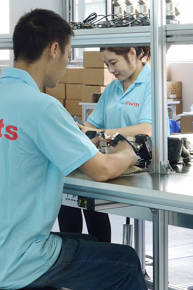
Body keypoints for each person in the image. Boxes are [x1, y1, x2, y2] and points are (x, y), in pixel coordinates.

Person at [0, 8, 176, 290]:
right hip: (18, 257)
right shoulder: (41, 106)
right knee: (125, 262)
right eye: (68, 54)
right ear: (53, 49)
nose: (66, 64)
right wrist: (129, 151)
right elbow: (102, 169)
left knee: (89, 249)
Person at [61, 45, 154, 242]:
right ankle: (75, 253)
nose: (111, 70)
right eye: (106, 64)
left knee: (90, 191)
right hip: (112, 163)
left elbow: (146, 129)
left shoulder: (151, 84)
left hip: (142, 166)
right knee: (69, 194)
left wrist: (100, 133)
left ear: (132, 54)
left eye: (113, 63)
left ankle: (101, 251)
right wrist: (78, 131)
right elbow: (91, 125)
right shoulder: (113, 87)